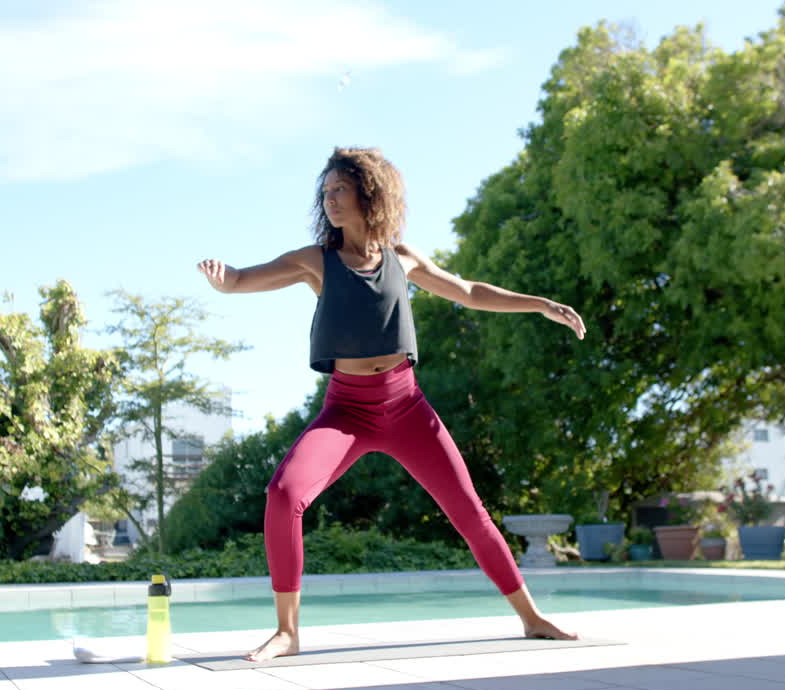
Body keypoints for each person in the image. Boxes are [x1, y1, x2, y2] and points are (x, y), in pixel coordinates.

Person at [196, 147, 586, 662]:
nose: (330, 199)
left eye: (340, 189)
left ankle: (532, 619)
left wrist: (539, 304)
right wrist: (224, 280)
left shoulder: (403, 257)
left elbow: (468, 290)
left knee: (470, 512)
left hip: (406, 406)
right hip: (346, 411)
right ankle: (287, 632)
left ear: (369, 193)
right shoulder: (318, 261)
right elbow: (245, 279)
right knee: (283, 494)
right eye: (326, 192)